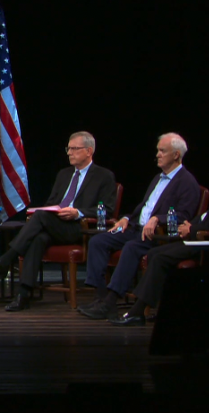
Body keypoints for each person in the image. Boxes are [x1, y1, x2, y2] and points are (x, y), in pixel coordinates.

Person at [0, 131, 117, 311]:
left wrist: (78, 213)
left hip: (79, 228)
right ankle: (23, 295)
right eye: (68, 148)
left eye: (74, 149)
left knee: (40, 217)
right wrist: (48, 210)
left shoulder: (104, 176)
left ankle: (5, 261)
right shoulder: (64, 174)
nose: (69, 153)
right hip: (56, 225)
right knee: (38, 238)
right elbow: (52, 203)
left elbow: (108, 210)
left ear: (89, 151)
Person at [79, 133, 200, 320]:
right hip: (135, 227)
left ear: (176, 155)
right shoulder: (158, 178)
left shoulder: (187, 182)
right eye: (157, 150)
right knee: (99, 241)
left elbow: (184, 215)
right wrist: (126, 218)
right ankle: (100, 297)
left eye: (162, 151)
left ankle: (111, 301)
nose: (157, 154)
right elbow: (143, 207)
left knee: (131, 248)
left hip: (156, 235)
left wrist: (158, 219)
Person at [109, 208, 209, 326]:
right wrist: (187, 226)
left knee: (160, 259)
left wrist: (191, 229)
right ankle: (161, 308)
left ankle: (137, 312)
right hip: (193, 240)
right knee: (153, 253)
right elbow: (202, 219)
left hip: (202, 245)